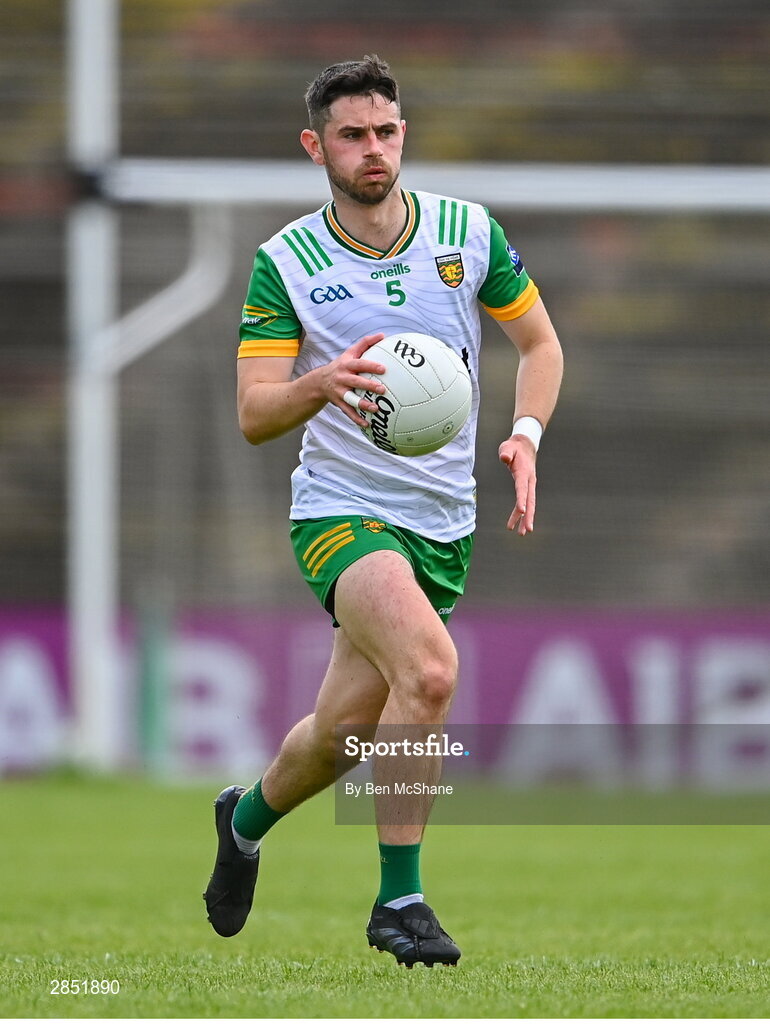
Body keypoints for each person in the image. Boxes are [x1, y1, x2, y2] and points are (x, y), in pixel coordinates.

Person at [204, 54, 563, 968]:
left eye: (387, 131)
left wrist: (524, 429)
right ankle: (399, 900)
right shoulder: (288, 261)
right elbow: (254, 414)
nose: (375, 150)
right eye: (354, 135)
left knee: (340, 735)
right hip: (341, 510)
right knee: (433, 672)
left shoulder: (465, 232)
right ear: (314, 145)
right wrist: (319, 383)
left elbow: (539, 342)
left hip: (443, 520)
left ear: (404, 131)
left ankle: (243, 821)